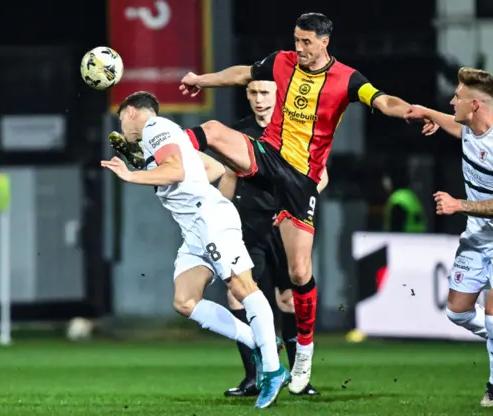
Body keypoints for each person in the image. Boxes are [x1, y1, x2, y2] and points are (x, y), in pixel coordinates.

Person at [178, 12, 432, 393]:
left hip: (301, 180)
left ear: (325, 41)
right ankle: (164, 146)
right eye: (296, 40)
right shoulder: (281, 62)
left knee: (299, 274)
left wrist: (410, 111)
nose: (299, 48)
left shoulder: (347, 79)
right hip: (268, 155)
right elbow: (242, 73)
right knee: (213, 131)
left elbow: (381, 100)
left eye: (307, 42)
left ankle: (304, 357)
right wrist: (202, 80)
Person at [101, 91, 289, 409]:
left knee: (243, 287)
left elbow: (176, 171)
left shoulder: (154, 127)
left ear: (131, 112)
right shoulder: (162, 137)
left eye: (122, 119)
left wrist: (133, 175)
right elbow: (213, 168)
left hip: (208, 218)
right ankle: (259, 340)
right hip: (195, 229)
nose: (123, 127)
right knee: (185, 300)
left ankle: (273, 370)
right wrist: (150, 164)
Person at [405, 68, 493, 407]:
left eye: (458, 98)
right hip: (479, 234)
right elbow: (455, 126)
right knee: (457, 311)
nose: (452, 101)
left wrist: (457, 205)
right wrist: (427, 112)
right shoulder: (469, 127)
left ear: (475, 105)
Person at [218, 80, 322, 397]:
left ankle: (299, 379)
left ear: (279, 96)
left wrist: (298, 205)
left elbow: (321, 174)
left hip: (286, 225)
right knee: (238, 295)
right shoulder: (238, 133)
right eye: (253, 93)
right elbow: (229, 176)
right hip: (248, 224)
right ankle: (254, 376)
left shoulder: (297, 130)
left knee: (288, 299)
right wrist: (221, 220)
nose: (259, 99)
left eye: (265, 93)